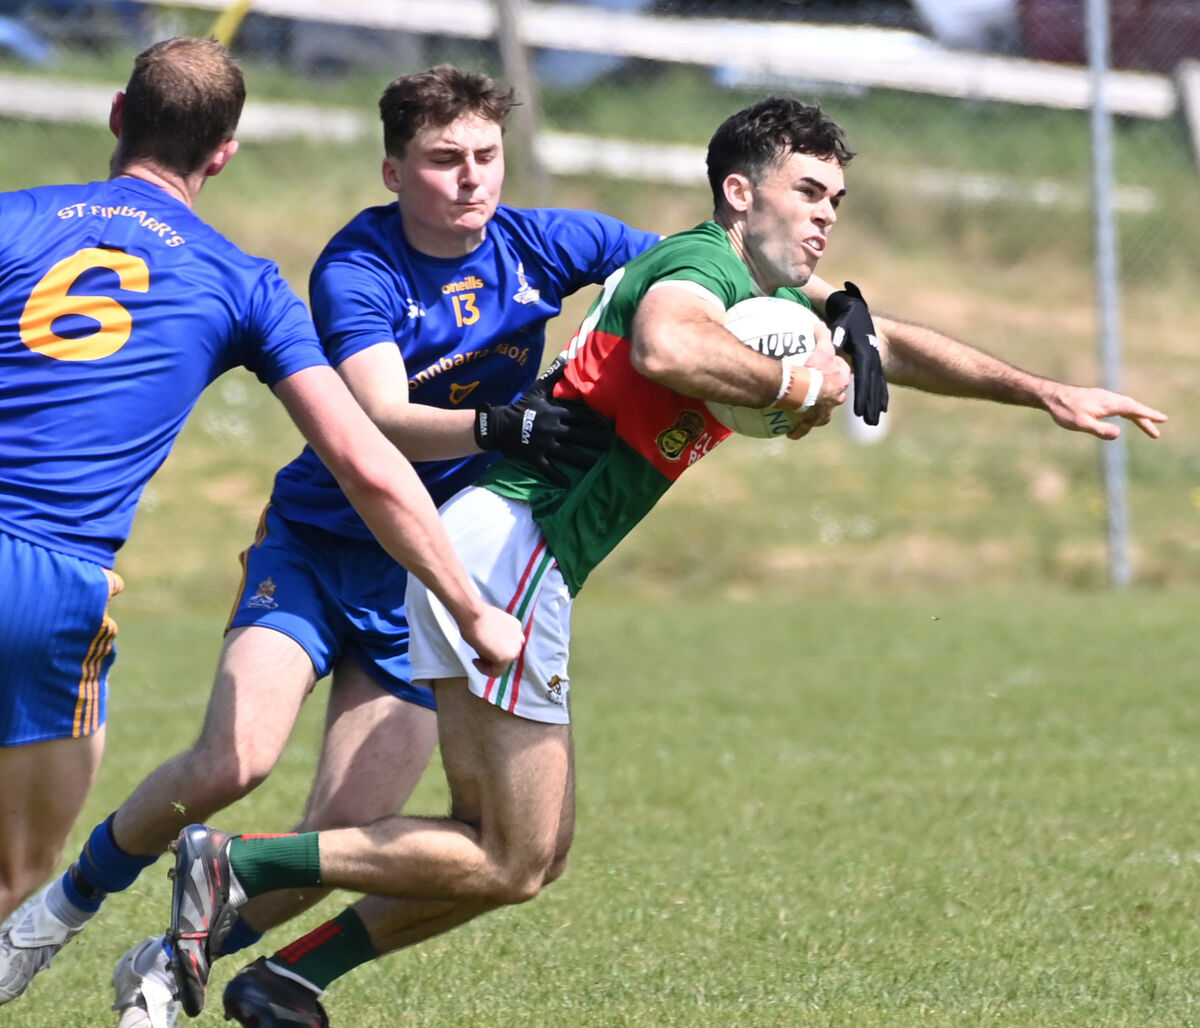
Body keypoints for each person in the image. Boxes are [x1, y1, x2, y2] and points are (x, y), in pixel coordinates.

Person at [156, 95, 1166, 1027]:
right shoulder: (699, 271)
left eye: (837, 200)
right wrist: (793, 383)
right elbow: (668, 349)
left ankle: (291, 973)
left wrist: (1037, 390)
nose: (826, 216)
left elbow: (882, 347)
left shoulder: (756, 288)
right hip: (513, 547)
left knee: (529, 854)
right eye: (807, 191)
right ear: (740, 190)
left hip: (514, 554)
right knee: (509, 853)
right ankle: (237, 863)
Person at [0, 63, 662, 1027]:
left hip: (427, 578)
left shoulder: (544, 242)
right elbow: (378, 423)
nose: (472, 178)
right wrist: (498, 429)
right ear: (393, 171)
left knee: (344, 834)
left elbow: (678, 280)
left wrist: (792, 316)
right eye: (444, 160)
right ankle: (55, 913)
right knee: (234, 762)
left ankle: (174, 955)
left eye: (486, 156)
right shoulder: (356, 266)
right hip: (316, 549)